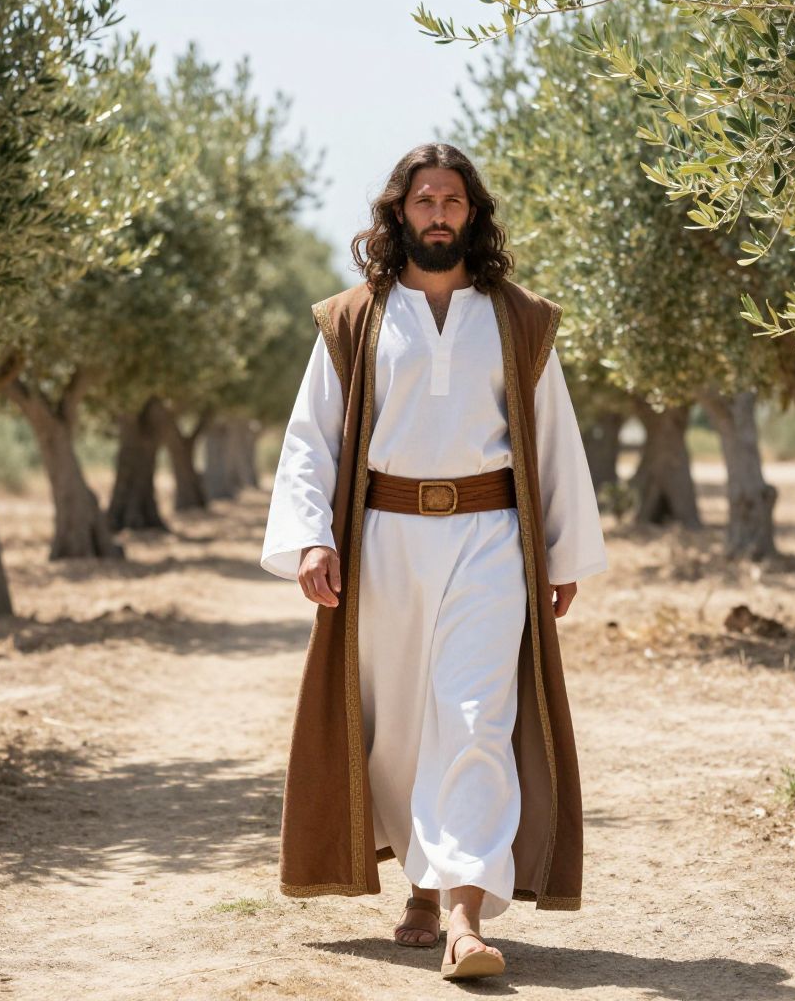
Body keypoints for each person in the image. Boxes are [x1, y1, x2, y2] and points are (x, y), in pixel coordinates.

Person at [260, 142, 607, 981]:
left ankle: (463, 916)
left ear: (473, 215)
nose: (440, 212)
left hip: (491, 541)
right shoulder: (354, 319)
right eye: (424, 200)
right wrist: (314, 534)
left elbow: (552, 436)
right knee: (403, 727)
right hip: (385, 542)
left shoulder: (520, 318)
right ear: (399, 214)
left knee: (477, 715)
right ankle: (421, 882)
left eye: (453, 200)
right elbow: (314, 439)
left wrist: (560, 548)